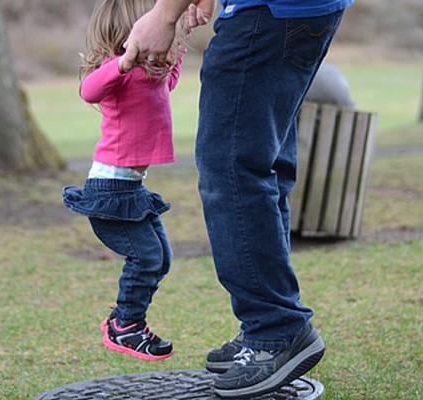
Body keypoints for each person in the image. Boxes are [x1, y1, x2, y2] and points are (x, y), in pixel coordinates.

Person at [123, 0, 353, 397]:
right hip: (301, 12)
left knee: (230, 168)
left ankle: (275, 330)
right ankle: (267, 327)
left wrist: (164, 14)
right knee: (263, 165)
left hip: (267, 13)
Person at [62, 0, 202, 362]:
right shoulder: (116, 73)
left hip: (132, 189)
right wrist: (123, 62)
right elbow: (87, 91)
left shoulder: (151, 74)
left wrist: (179, 37)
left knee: (162, 258)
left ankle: (125, 320)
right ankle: (126, 324)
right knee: (147, 257)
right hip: (110, 192)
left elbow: (167, 82)